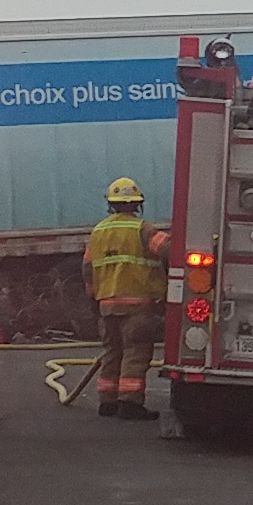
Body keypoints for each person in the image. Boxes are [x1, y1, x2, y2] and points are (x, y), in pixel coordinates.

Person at [83, 175, 163, 417]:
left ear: (111, 204)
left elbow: (87, 268)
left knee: (112, 352)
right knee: (136, 353)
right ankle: (130, 403)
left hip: (107, 305)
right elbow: (169, 249)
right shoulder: (143, 229)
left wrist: (94, 297)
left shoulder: (98, 231)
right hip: (137, 305)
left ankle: (107, 402)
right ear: (137, 204)